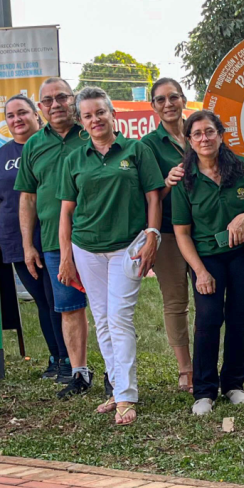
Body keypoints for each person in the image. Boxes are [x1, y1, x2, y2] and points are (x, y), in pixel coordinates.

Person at [58, 87, 163, 425]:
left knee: (119, 317)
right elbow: (66, 212)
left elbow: (154, 197)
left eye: (100, 112)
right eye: (87, 115)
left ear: (112, 113)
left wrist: (153, 235)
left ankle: (127, 397)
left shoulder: (137, 150)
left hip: (127, 247)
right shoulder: (74, 158)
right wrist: (65, 256)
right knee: (102, 320)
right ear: (81, 122)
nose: (95, 119)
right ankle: (118, 390)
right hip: (86, 248)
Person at [172, 110, 244, 416]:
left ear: (221, 134)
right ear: (189, 140)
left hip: (243, 256)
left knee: (239, 317)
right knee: (208, 319)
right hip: (206, 258)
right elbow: (182, 233)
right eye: (197, 133)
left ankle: (234, 384)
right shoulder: (184, 180)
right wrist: (199, 271)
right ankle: (204, 391)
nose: (204, 138)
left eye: (209, 131)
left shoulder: (241, 168)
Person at [15, 77, 91, 398]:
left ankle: (117, 374)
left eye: (62, 97)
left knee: (109, 309)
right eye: (48, 101)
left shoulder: (93, 133)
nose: (56, 104)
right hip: (52, 244)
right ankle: (79, 373)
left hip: (98, 239)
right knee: (69, 309)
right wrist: (27, 245)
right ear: (41, 108)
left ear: (74, 100)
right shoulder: (34, 145)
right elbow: (28, 198)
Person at [0, 95, 70, 382]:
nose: (16, 120)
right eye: (10, 115)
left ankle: (69, 360)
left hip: (50, 235)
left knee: (57, 300)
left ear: (37, 115)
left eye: (22, 113)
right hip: (15, 240)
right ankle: (56, 357)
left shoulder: (50, 147)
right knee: (41, 300)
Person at [141, 78, 193, 392]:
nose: (168, 104)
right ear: (154, 106)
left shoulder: (199, 129)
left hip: (204, 231)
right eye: (161, 99)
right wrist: (167, 180)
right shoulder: (148, 144)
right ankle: (185, 370)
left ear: (183, 99)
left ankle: (208, 362)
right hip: (170, 230)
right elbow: (149, 194)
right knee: (176, 302)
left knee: (210, 299)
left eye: (173, 97)